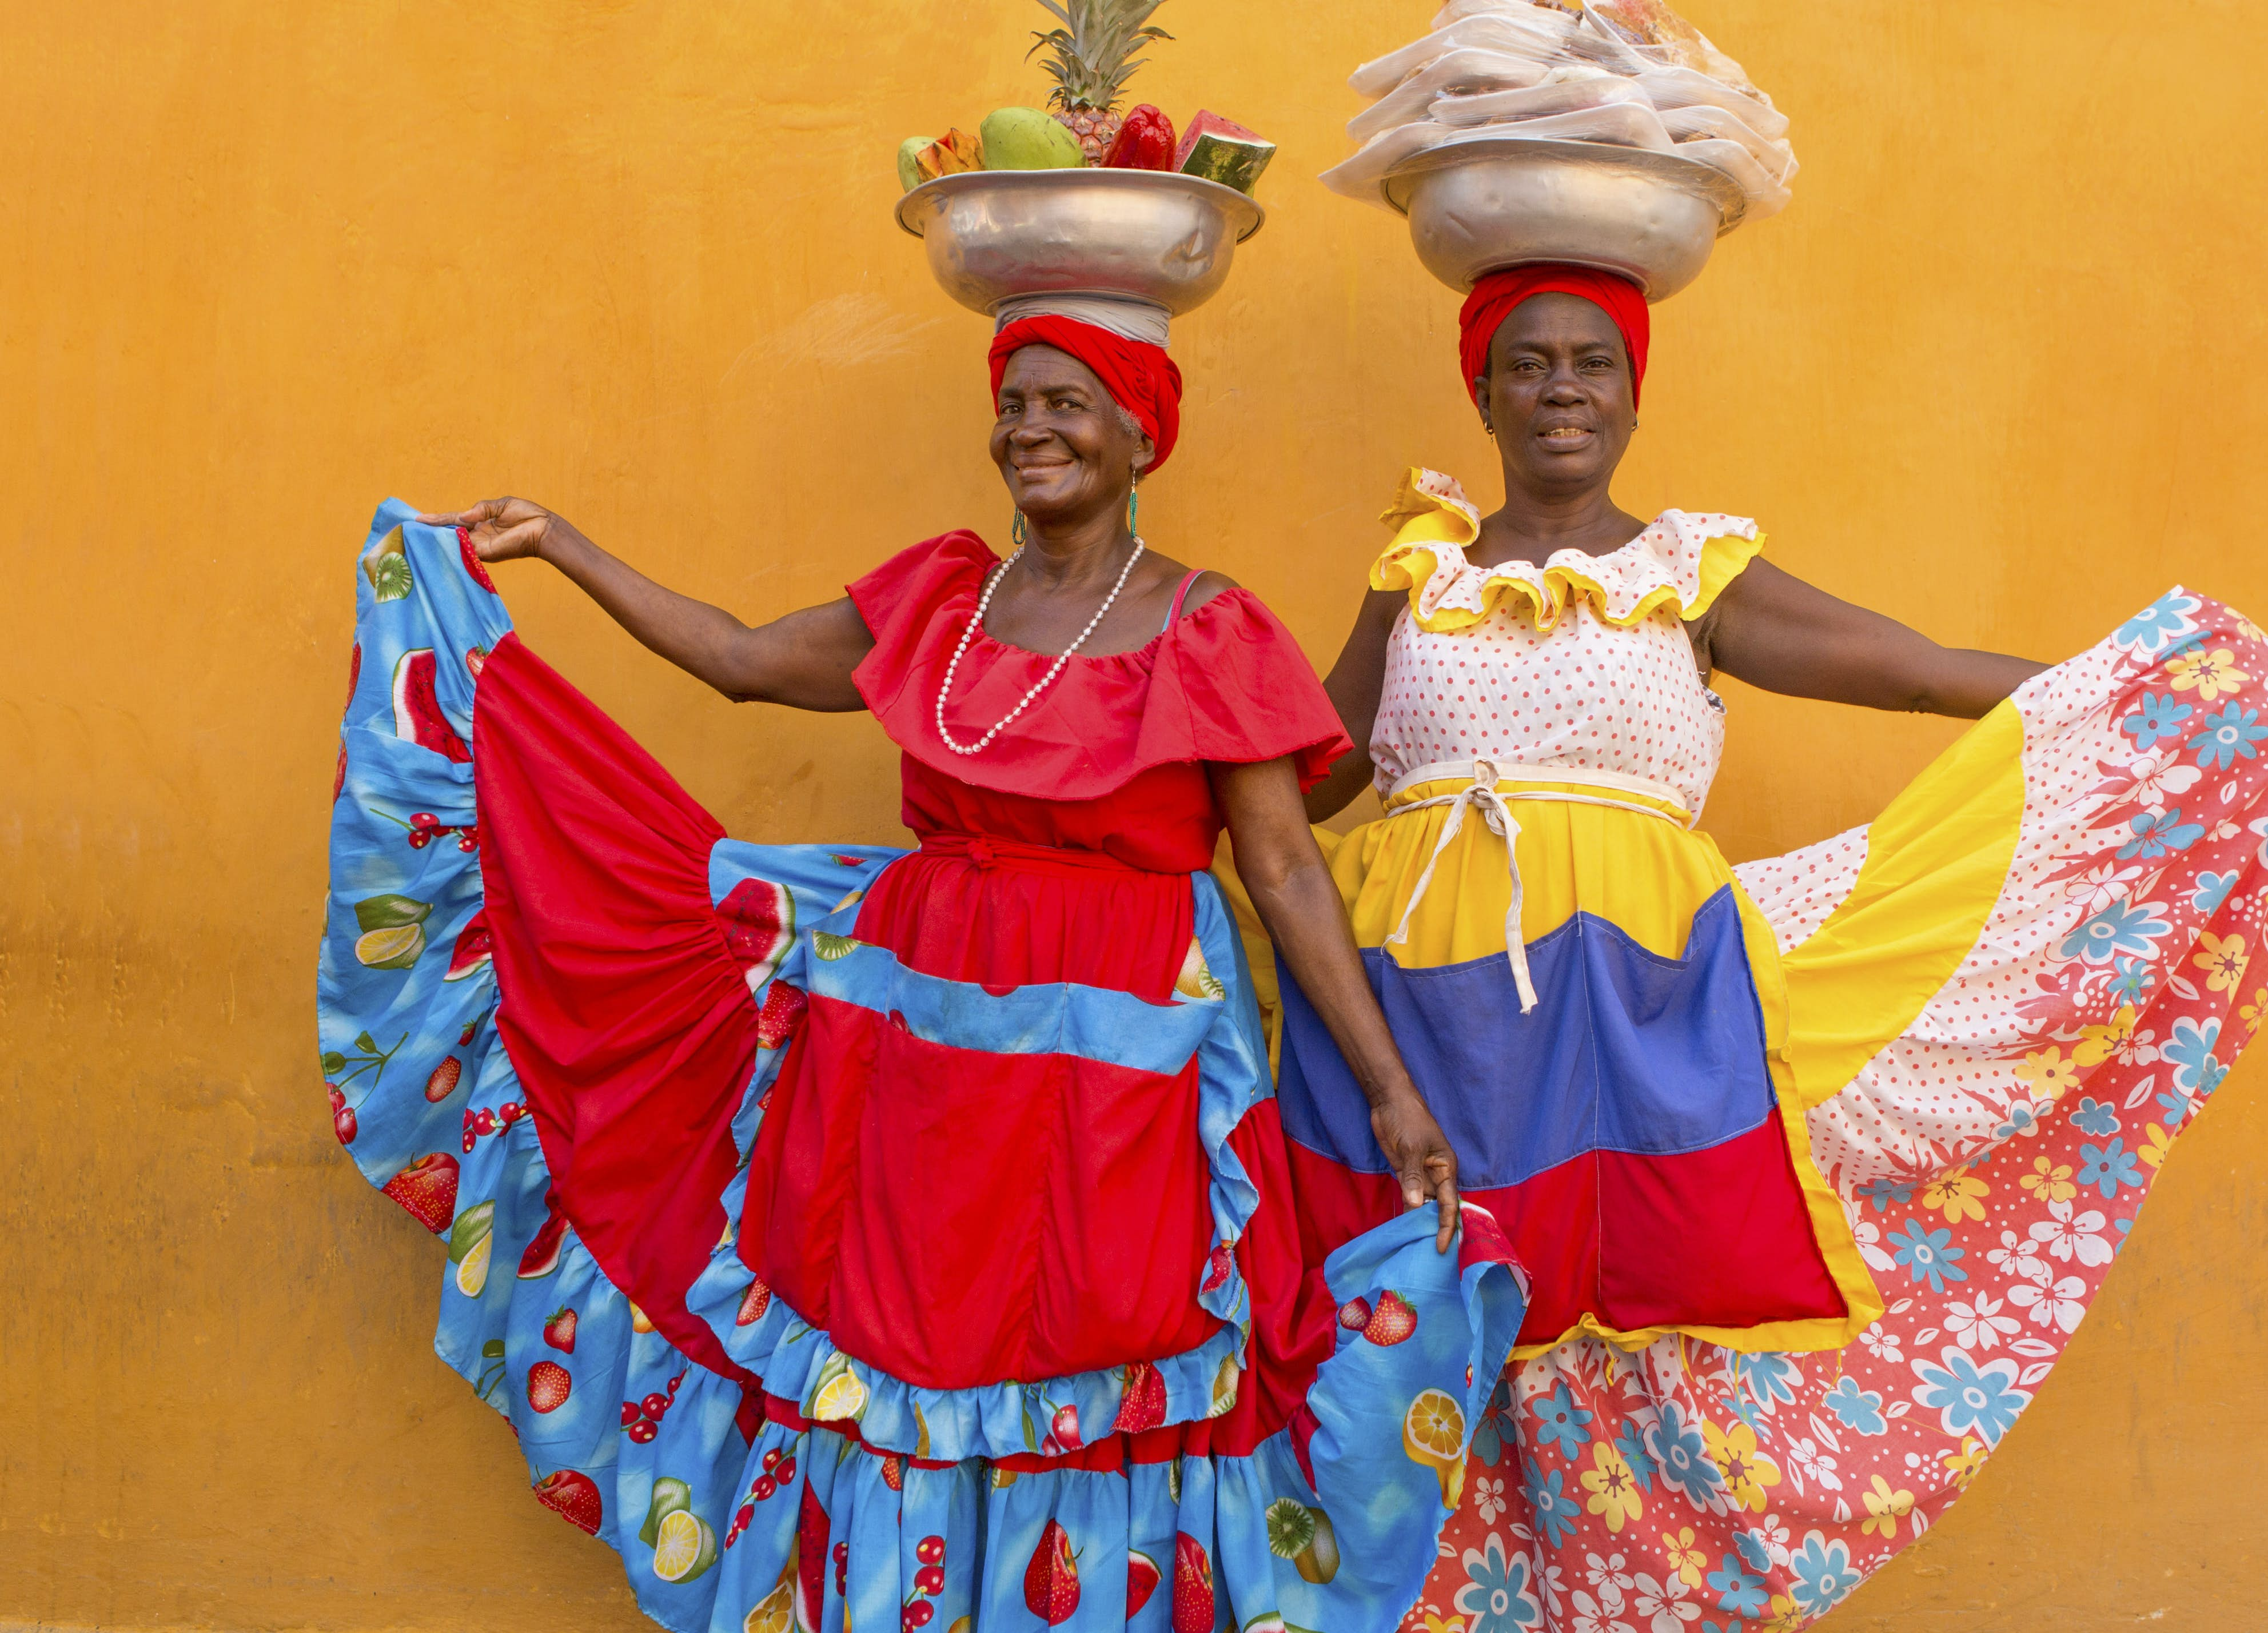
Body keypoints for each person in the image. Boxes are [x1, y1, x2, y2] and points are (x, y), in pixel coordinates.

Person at [318, 300, 1524, 1633]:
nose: (1031, 430)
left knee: (1096, 1347)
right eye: (1015, 404)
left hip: (1119, 1063)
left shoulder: (1209, 625)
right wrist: (562, 546)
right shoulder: (939, 596)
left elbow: (1285, 868)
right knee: (902, 1344)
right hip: (905, 1049)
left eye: (1068, 403)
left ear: (1141, 430)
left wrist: (1387, 1088)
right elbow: (740, 658)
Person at [1255, 265, 2268, 1629]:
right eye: (1527, 364)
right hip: (1418, 1017)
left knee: (1606, 1339)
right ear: (1481, 391)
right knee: (1421, 1328)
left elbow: (1914, 669)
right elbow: (1294, 779)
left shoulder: (1687, 574)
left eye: (1593, 362)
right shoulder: (1416, 576)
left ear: (1636, 396)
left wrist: (2117, 705)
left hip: (1630, 1014)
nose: (1561, 387)